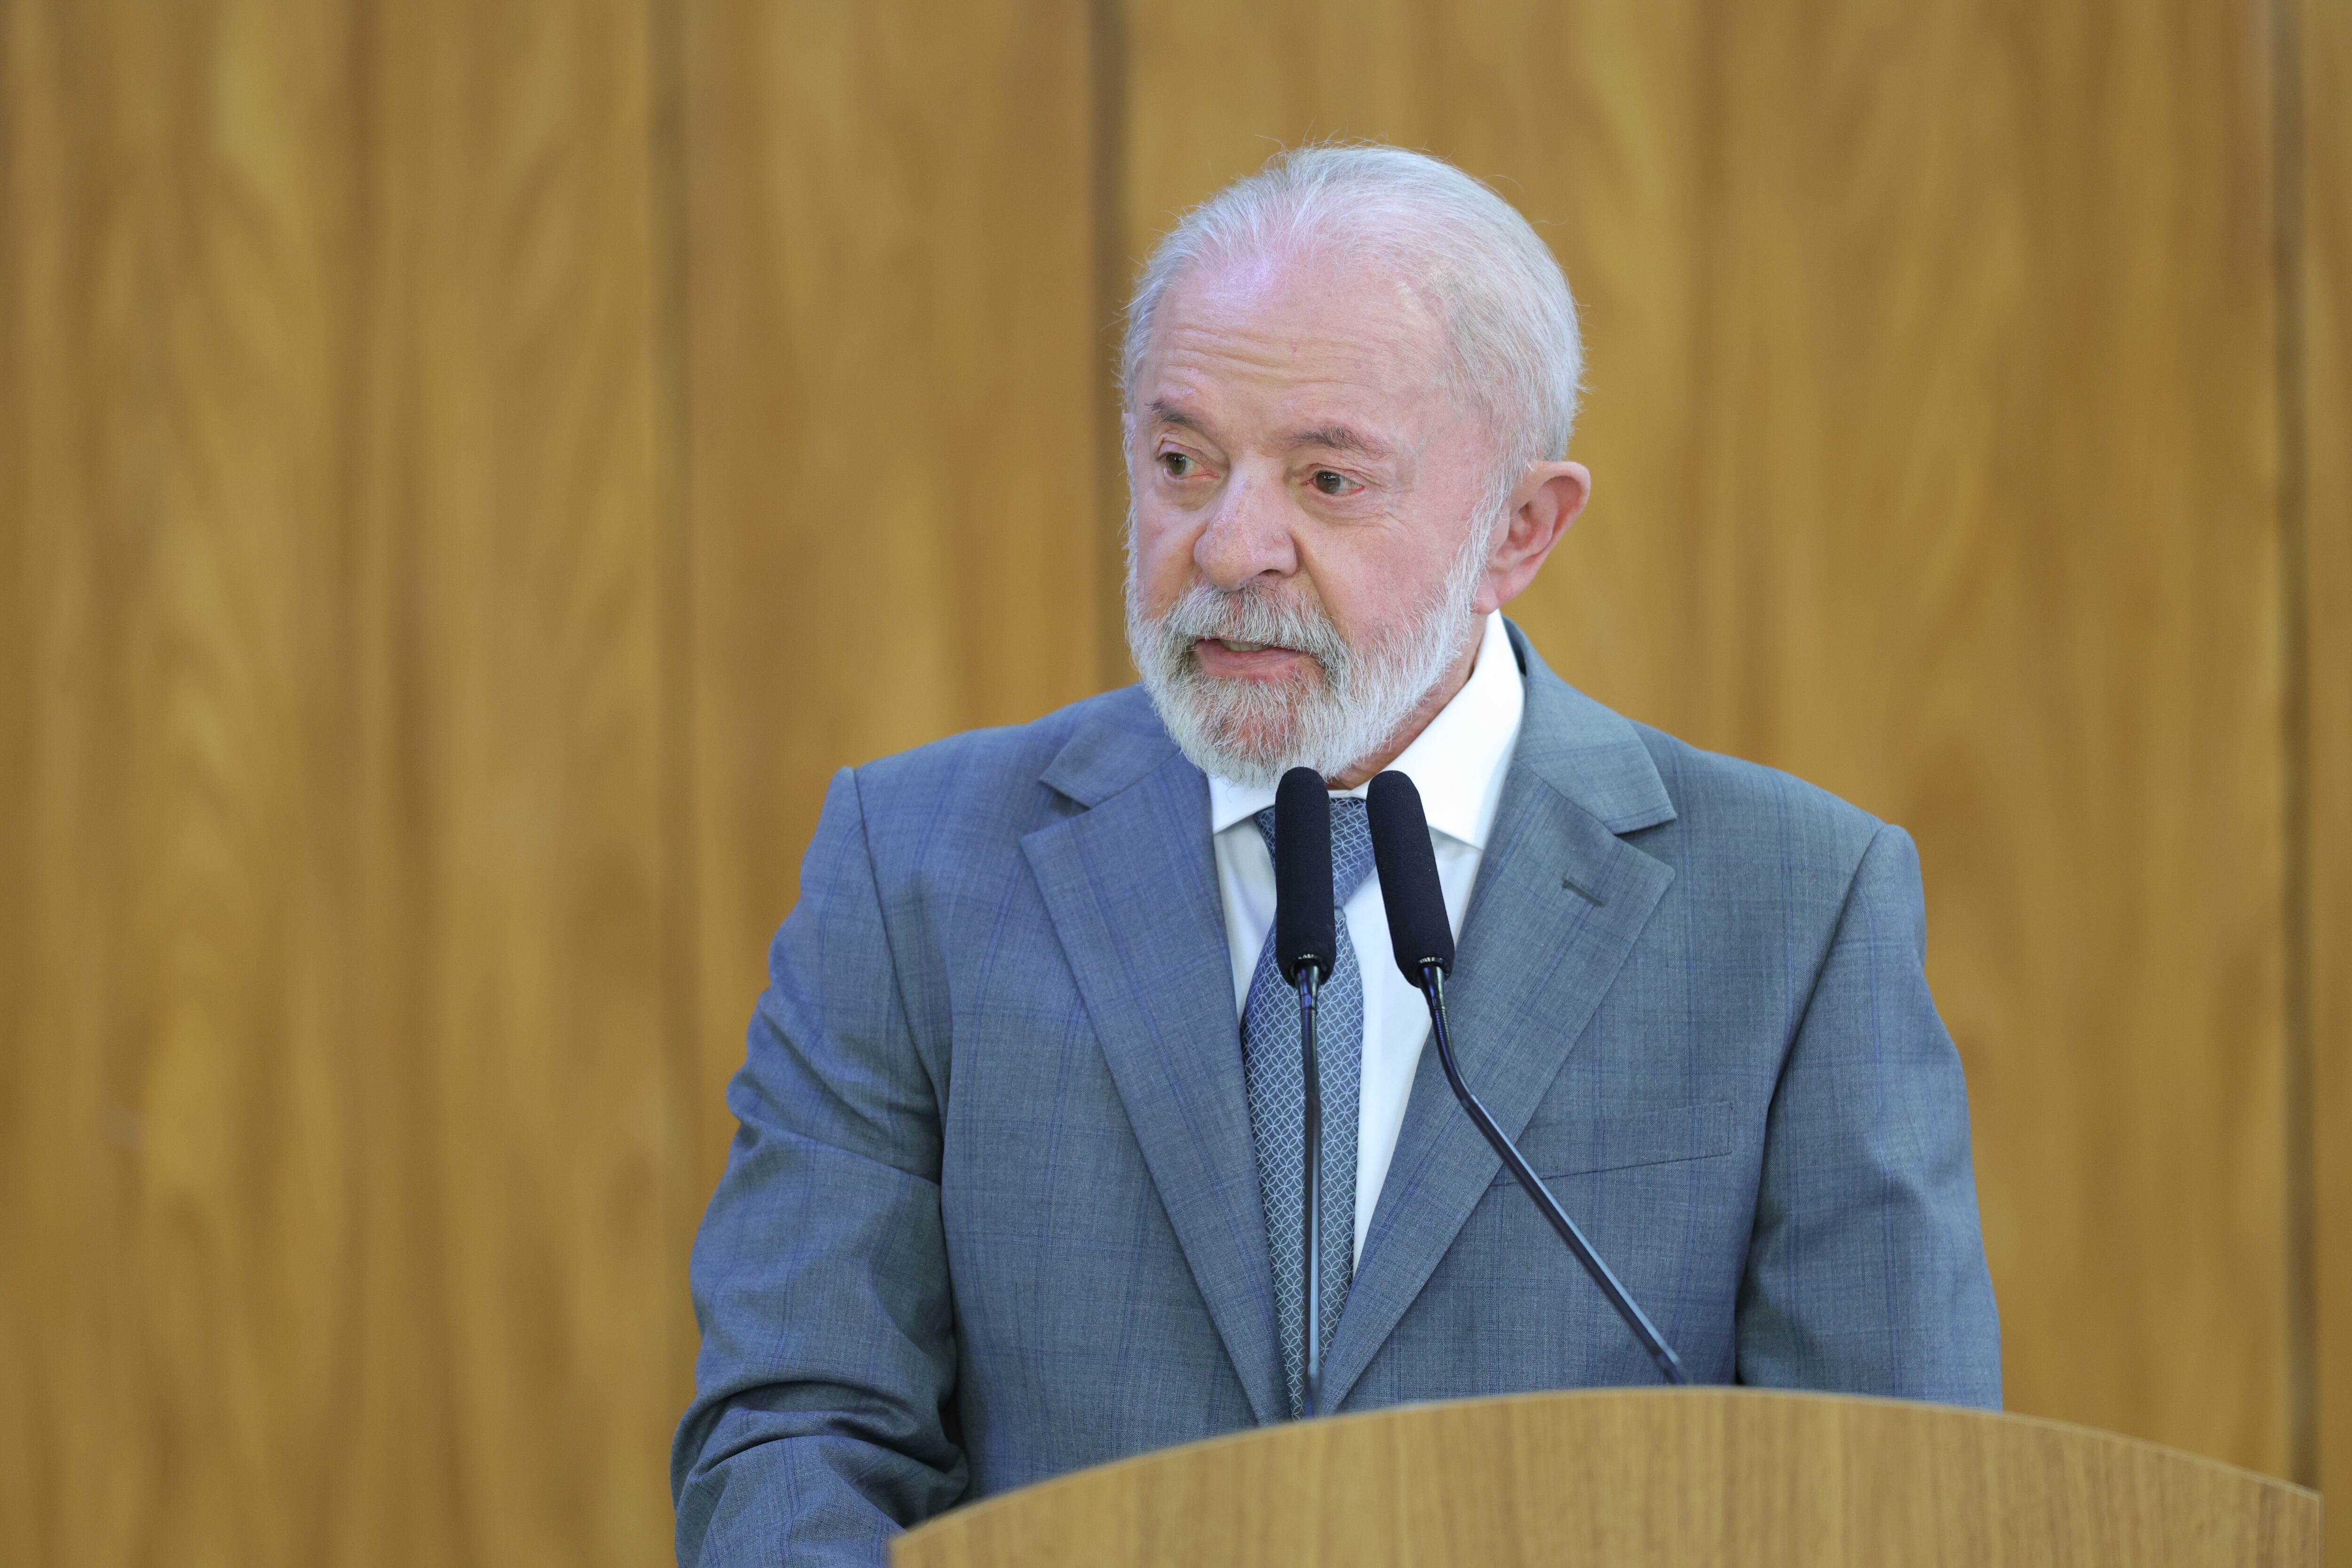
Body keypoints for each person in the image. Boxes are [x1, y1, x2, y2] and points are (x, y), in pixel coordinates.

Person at [671, 143, 2001, 1567]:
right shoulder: (916, 867)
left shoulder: (1794, 908)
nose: (1234, 544)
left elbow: (1892, 1496)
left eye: (1329, 479)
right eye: (1182, 461)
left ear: (1521, 530)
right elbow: (794, 1436)